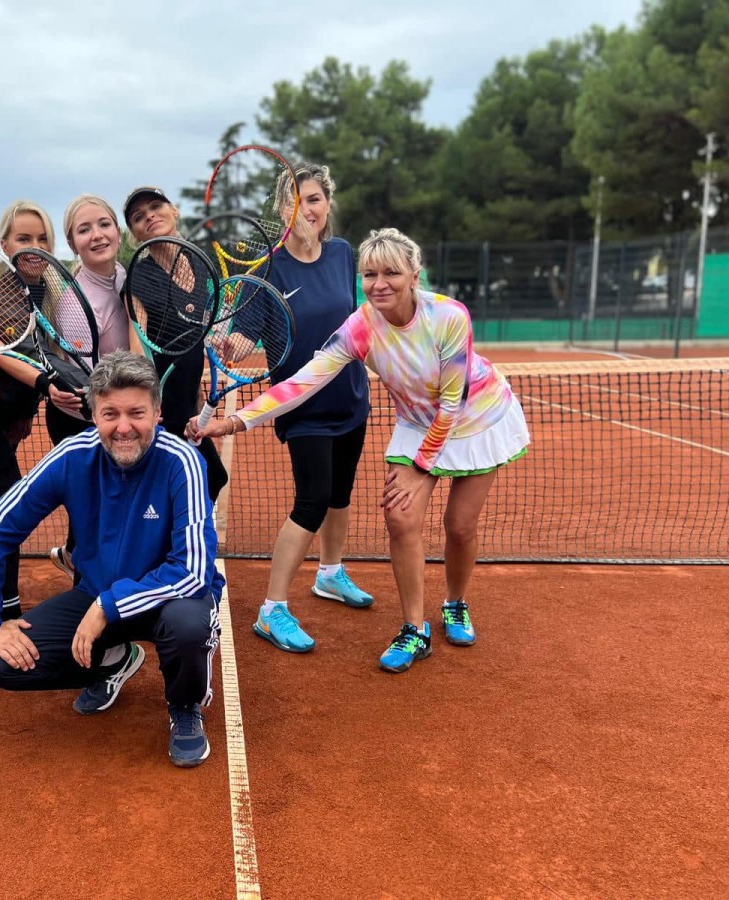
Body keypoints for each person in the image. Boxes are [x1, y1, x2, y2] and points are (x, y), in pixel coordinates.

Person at [190, 228, 530, 673]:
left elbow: (451, 403)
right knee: (400, 517)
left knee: (459, 525)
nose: (379, 283)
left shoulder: (449, 316)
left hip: (477, 417)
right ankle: (415, 629)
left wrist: (419, 468)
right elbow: (303, 382)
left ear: (414, 276)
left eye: (392, 273)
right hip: (417, 421)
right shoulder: (361, 326)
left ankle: (454, 602)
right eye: (370, 274)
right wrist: (236, 421)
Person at [0, 351, 224, 768]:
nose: (124, 427)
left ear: (157, 413)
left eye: (136, 413)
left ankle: (184, 705)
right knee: (0, 665)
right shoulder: (73, 455)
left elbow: (192, 571)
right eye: (110, 414)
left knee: (189, 624)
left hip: (168, 600)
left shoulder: (183, 461)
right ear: (94, 415)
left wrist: (108, 605)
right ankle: (113, 660)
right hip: (96, 594)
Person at [247, 163, 373, 655]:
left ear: (327, 204)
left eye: (315, 198)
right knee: (312, 499)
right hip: (302, 408)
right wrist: (230, 343)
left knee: (340, 493)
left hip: (350, 397)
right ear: (283, 210)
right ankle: (271, 608)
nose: (307, 209)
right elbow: (246, 335)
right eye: (296, 201)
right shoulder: (268, 269)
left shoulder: (343, 254)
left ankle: (330, 573)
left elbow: (355, 320)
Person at [0, 201, 84, 620]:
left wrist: (25, 411)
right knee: (6, 506)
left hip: (6, 416)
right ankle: (3, 610)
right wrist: (52, 387)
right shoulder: (5, 296)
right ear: (5, 245)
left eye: (42, 239)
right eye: (24, 238)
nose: (35, 247)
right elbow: (21, 359)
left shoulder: (46, 288)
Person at [45, 194, 133, 581]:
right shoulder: (75, 304)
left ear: (118, 231)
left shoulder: (123, 276)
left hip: (113, 407)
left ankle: (73, 554)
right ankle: (85, 585)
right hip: (80, 418)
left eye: (104, 224)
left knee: (103, 507)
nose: (97, 235)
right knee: (97, 509)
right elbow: (89, 380)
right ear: (72, 244)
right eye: (84, 230)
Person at [122, 186, 228, 503]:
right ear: (134, 234)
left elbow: (198, 331)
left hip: (187, 405)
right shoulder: (139, 277)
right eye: (138, 217)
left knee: (208, 480)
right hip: (160, 410)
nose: (149, 216)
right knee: (196, 482)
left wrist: (196, 391)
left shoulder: (198, 262)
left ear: (174, 211)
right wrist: (149, 406)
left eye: (156, 206)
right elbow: (137, 348)